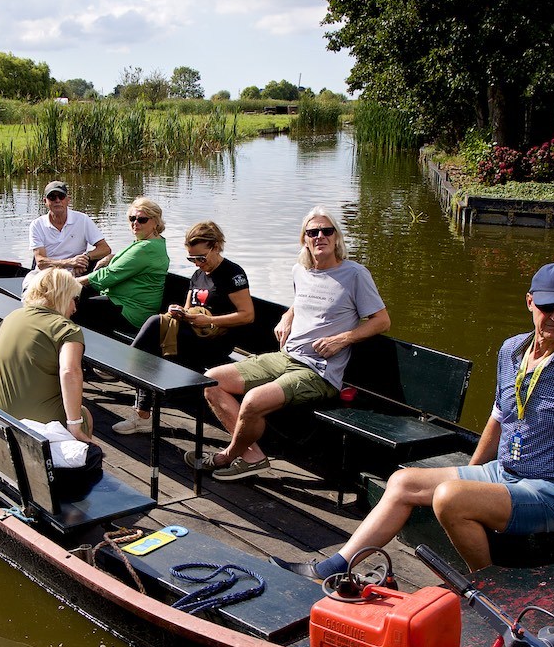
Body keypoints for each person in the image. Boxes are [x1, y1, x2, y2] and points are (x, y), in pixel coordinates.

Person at [291, 262, 554, 579]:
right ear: (530, 302)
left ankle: (488, 588)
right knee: (403, 482)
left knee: (450, 499)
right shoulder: (511, 350)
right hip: (505, 472)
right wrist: (470, 472)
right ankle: (335, 566)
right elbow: (499, 417)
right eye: (547, 307)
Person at [188, 206, 390, 482]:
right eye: (312, 232)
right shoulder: (301, 271)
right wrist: (288, 315)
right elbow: (305, 300)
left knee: (253, 401)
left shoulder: (355, 274)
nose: (320, 236)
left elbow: (381, 321)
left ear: (336, 238)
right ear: (304, 240)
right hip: (286, 357)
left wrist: (343, 339)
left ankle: (230, 454)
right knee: (210, 381)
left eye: (326, 231)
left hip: (319, 372)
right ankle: (254, 457)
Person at [112, 221, 254, 434]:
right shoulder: (198, 275)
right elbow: (190, 308)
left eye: (201, 258)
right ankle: (140, 408)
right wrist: (180, 311)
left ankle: (134, 389)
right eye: (192, 259)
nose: (197, 263)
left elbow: (247, 315)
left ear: (215, 247)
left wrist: (211, 321)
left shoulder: (231, 273)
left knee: (152, 331)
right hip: (193, 334)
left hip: (215, 343)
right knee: (152, 343)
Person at [0, 268, 93, 442]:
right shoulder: (67, 329)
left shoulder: (11, 318)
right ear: (62, 297)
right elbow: (69, 371)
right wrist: (74, 424)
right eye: (74, 299)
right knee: (84, 414)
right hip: (42, 429)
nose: (74, 308)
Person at [75, 196, 169, 336]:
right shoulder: (155, 243)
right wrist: (111, 257)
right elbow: (132, 262)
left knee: (72, 307)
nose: (135, 223)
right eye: (132, 219)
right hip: (125, 304)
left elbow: (108, 276)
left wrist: (71, 281)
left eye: (142, 219)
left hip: (130, 311)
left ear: (156, 222)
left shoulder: (145, 248)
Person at [30, 180, 110, 275]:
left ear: (68, 200)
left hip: (76, 273)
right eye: (52, 197)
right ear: (45, 202)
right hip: (46, 274)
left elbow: (105, 249)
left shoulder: (83, 219)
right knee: (28, 286)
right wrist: (70, 262)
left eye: (61, 196)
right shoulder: (37, 224)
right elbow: (41, 262)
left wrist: (84, 258)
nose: (57, 200)